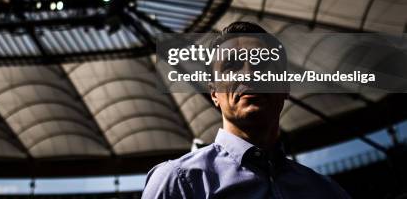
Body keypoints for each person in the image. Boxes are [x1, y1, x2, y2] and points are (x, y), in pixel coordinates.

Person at [142, 21, 350, 199]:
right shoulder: (178, 181)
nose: (248, 74)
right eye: (231, 66)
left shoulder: (328, 191)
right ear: (214, 93)